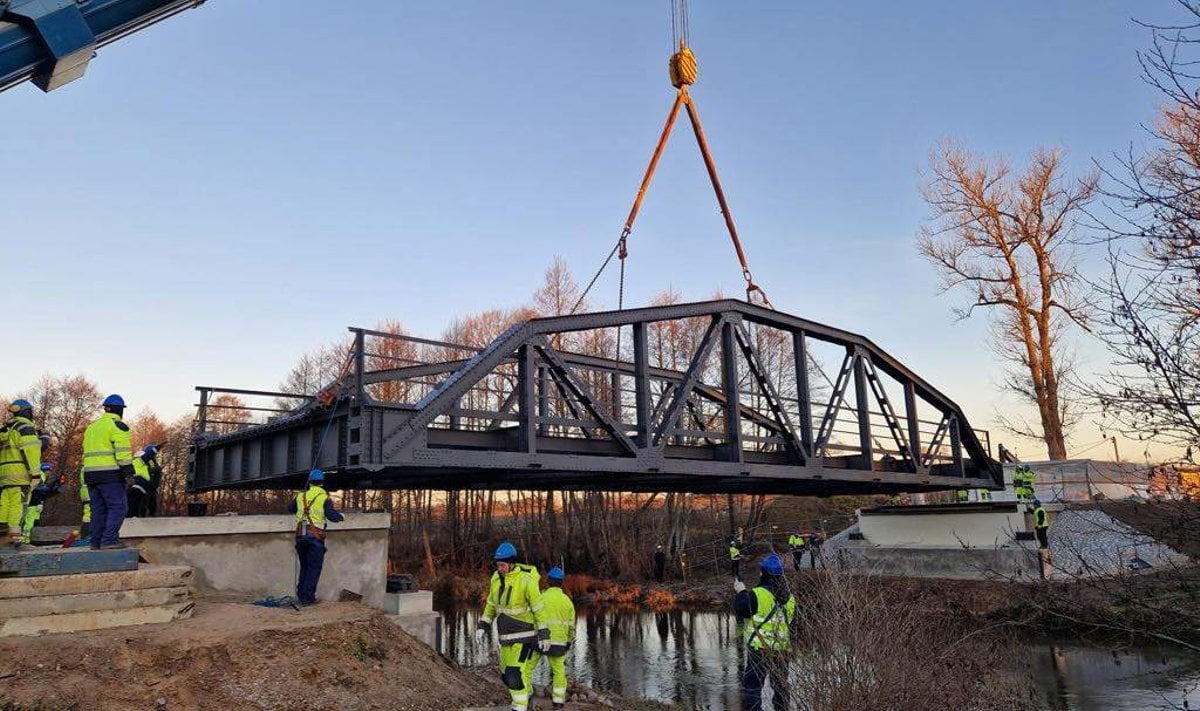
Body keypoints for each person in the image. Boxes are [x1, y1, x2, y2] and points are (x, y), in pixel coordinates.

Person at [476, 541, 550, 711]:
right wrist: (483, 625)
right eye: (498, 565)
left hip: (524, 636)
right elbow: (492, 604)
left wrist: (544, 632)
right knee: (505, 675)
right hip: (505, 637)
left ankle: (519, 707)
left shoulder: (526, 581)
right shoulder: (495, 578)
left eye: (502, 565)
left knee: (514, 674)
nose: (499, 568)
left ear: (511, 564)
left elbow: (539, 609)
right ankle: (528, 694)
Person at [734, 554, 795, 711]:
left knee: (753, 687)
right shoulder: (790, 598)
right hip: (782, 650)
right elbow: (792, 624)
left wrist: (740, 591)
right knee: (780, 686)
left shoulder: (757, 594)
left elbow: (741, 610)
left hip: (759, 649)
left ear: (763, 573)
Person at [81, 395, 134, 550]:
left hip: (91, 476)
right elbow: (123, 452)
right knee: (118, 507)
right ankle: (109, 541)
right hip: (110, 475)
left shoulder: (92, 427)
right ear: (120, 410)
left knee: (98, 509)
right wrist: (128, 472)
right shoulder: (117, 426)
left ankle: (95, 542)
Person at [288, 469, 344, 605]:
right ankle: (308, 598)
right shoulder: (323, 497)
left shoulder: (300, 496)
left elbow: (291, 509)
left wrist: (300, 497)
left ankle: (301, 595)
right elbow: (332, 516)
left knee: (305, 566)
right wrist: (341, 517)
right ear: (322, 483)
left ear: (310, 482)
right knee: (314, 568)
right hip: (315, 537)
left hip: (300, 535)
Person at [0, 400, 42, 548]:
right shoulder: (25, 428)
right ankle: (15, 540)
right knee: (18, 507)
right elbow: (31, 452)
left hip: (5, 476)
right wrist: (36, 475)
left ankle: (3, 539)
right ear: (27, 411)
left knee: (5, 506)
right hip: (21, 475)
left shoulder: (7, 428)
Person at [536, 566, 576, 709]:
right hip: (559, 643)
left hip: (540, 640)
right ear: (561, 583)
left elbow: (533, 618)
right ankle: (558, 701)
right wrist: (569, 641)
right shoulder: (567, 601)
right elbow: (571, 627)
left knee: (528, 668)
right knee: (559, 671)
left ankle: (525, 696)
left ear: (548, 581)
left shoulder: (541, 597)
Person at [127, 445, 162, 517]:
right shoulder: (139, 461)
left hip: (142, 486)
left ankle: (134, 516)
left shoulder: (133, 463)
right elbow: (149, 456)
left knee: (138, 505)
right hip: (140, 485)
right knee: (140, 504)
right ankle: (137, 516)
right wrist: (157, 448)